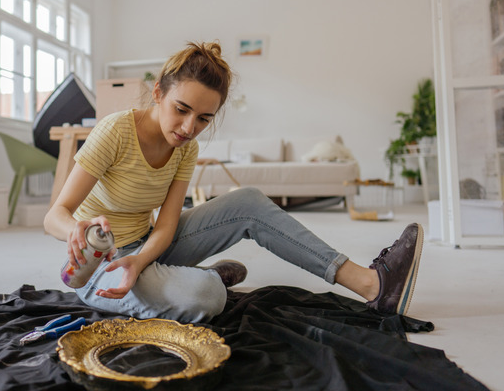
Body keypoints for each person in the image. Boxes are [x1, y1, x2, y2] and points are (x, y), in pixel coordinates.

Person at [44, 41, 423, 323]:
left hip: (146, 250)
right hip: (100, 268)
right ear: (158, 92)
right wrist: (76, 229)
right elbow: (54, 215)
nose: (188, 128)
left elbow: (167, 226)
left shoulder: (185, 148)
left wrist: (141, 260)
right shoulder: (115, 131)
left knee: (249, 202)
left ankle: (371, 284)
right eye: (181, 109)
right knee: (208, 295)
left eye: (203, 119)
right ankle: (201, 279)